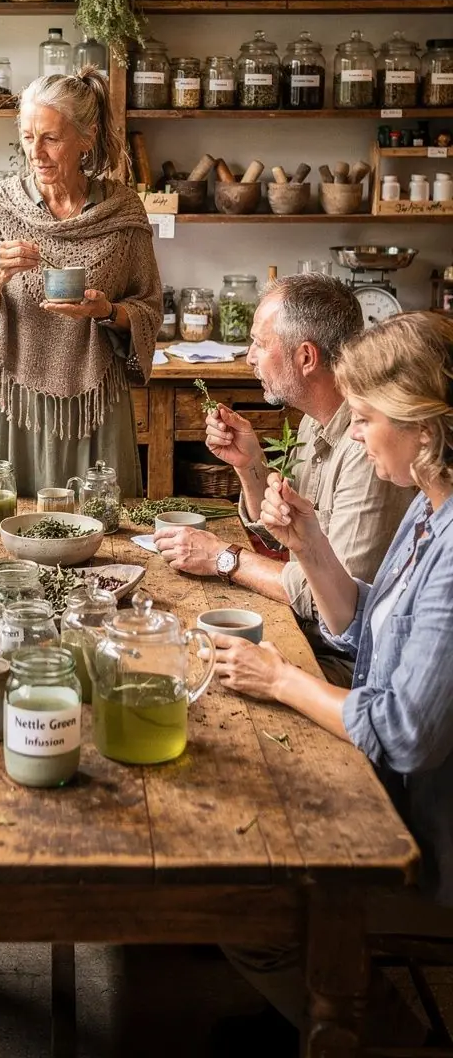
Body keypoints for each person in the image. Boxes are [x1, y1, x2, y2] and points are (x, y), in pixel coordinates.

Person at [212, 312, 453, 1048]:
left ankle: (385, 1041)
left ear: (424, 427)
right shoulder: (428, 505)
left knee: (247, 906)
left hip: (426, 845)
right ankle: (310, 1004)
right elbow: (360, 630)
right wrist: (309, 542)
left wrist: (281, 678)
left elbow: (401, 732)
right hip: (393, 801)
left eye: (369, 417)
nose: (354, 432)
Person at [155, 274, 412, 684]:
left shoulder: (370, 453)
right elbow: (286, 539)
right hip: (302, 633)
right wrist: (250, 464)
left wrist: (224, 558)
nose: (249, 357)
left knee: (188, 669)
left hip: (343, 664)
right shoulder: (315, 419)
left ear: (306, 357)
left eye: (259, 343)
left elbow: (326, 597)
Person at [0, 68, 162, 496]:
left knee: (101, 537)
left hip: (95, 407)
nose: (36, 153)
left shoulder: (122, 209)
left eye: (50, 138)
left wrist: (108, 311)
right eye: (27, 137)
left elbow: (149, 308)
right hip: (10, 405)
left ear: (87, 137)